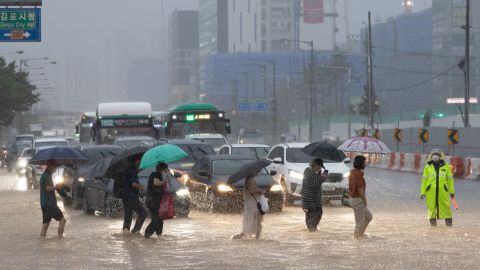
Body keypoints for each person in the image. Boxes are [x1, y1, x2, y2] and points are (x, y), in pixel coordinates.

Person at [420, 149, 455, 227]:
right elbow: (424, 181)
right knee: (431, 209)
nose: (435, 156)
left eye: (437, 154)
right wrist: (422, 192)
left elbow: (450, 180)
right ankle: (433, 228)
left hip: (443, 192)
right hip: (430, 192)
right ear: (431, 156)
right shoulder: (427, 166)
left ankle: (449, 227)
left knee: (446, 208)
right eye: (433, 154)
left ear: (440, 156)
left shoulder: (446, 166)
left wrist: (452, 192)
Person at [40, 159, 67, 238]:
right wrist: (56, 187)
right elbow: (48, 188)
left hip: (44, 204)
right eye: (55, 166)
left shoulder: (44, 175)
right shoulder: (47, 176)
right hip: (50, 204)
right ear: (51, 166)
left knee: (45, 224)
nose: (55, 168)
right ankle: (60, 239)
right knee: (63, 220)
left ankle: (42, 240)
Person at [232, 172, 263, 240]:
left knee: (256, 221)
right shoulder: (249, 180)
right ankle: (254, 238)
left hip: (252, 204)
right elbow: (252, 191)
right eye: (258, 170)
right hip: (252, 204)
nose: (259, 172)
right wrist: (259, 191)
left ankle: (255, 237)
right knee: (255, 221)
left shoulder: (250, 180)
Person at [349, 155, 373, 239]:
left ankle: (361, 234)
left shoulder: (353, 171)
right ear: (361, 163)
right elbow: (360, 189)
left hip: (353, 199)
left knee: (369, 216)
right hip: (357, 200)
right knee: (358, 224)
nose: (365, 163)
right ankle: (357, 241)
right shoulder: (358, 173)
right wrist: (364, 200)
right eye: (364, 162)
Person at [122, 157, 147, 235]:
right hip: (131, 196)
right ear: (136, 161)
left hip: (125, 196)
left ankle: (125, 233)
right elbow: (133, 184)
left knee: (128, 216)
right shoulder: (132, 170)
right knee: (143, 212)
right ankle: (135, 231)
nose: (140, 162)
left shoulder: (128, 169)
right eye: (139, 160)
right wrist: (141, 187)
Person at [301, 158, 327, 232]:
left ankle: (311, 230)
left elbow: (315, 180)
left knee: (310, 215)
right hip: (311, 201)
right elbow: (316, 184)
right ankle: (312, 230)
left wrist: (319, 175)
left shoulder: (308, 171)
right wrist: (323, 177)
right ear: (315, 165)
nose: (320, 168)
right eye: (319, 167)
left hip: (307, 200)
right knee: (317, 213)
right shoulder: (310, 172)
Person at [144, 162, 168, 238]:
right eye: (165, 170)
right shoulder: (154, 174)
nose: (166, 171)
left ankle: (159, 235)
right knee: (156, 220)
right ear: (160, 169)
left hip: (157, 201)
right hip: (152, 201)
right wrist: (164, 182)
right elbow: (155, 185)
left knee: (160, 220)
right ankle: (147, 235)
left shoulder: (161, 175)